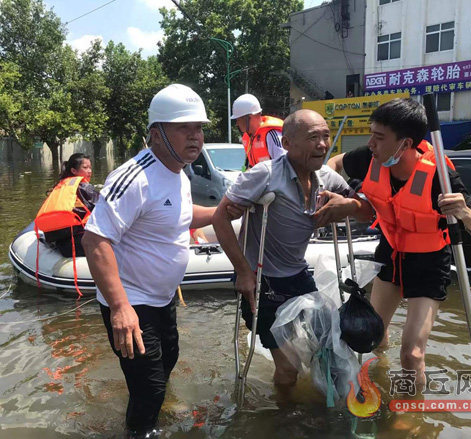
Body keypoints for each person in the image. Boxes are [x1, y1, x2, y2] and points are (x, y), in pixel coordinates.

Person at [81, 84, 242, 437]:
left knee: (167, 363)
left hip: (163, 298)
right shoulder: (134, 178)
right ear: (156, 134)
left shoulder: (178, 172)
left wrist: (222, 212)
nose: (196, 136)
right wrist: (121, 307)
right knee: (150, 388)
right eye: (184, 128)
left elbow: (181, 217)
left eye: (199, 128)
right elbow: (94, 240)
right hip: (132, 303)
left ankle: (150, 415)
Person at [327, 98, 471, 389]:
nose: (371, 143)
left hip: (429, 262)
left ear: (404, 144)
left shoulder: (441, 178)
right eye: (371, 134)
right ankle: (380, 376)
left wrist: (465, 213)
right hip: (391, 252)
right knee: (374, 337)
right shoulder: (370, 158)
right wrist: (333, 188)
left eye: (379, 138)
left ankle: (411, 413)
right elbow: (336, 163)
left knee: (412, 354)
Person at [213, 109, 374, 388]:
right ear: (287, 143)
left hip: (298, 277)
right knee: (288, 371)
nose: (323, 144)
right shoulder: (264, 174)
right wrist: (243, 272)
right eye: (313, 137)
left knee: (329, 350)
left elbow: (367, 213)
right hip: (262, 282)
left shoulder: (327, 177)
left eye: (325, 136)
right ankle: (282, 420)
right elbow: (220, 217)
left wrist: (349, 205)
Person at [36, 153, 99, 258]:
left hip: (63, 244)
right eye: (85, 167)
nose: (89, 171)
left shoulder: (60, 186)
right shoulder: (85, 187)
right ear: (74, 171)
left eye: (90, 168)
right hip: (80, 245)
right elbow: (106, 209)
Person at [231, 93, 285, 169]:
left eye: (238, 119)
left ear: (248, 117)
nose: (237, 124)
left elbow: (285, 166)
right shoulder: (247, 138)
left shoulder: (271, 134)